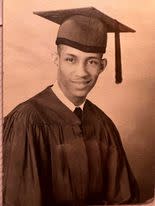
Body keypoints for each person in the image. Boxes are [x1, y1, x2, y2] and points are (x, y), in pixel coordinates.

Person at [3, 7, 139, 206]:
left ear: (103, 66)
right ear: (56, 59)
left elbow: (123, 200)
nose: (81, 72)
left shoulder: (103, 125)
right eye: (70, 59)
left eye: (91, 61)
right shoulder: (26, 121)